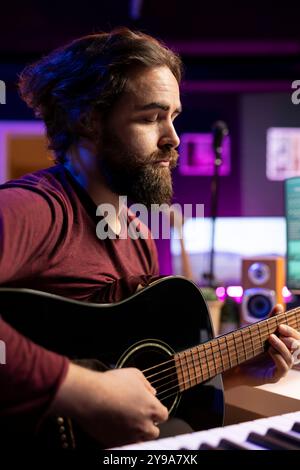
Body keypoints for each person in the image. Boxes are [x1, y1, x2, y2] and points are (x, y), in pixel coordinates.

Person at [0, 27, 299, 450]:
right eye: (149, 117)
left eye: (173, 117)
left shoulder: (138, 233)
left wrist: (232, 372)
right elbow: (101, 389)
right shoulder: (35, 211)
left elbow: (139, 378)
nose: (172, 138)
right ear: (87, 120)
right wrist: (83, 390)